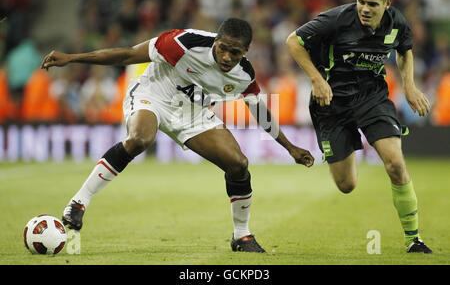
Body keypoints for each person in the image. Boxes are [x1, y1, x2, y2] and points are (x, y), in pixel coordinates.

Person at [42, 18, 314, 253]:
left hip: (192, 113)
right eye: (223, 48)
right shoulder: (182, 42)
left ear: (246, 51)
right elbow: (126, 55)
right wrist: (72, 58)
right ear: (215, 42)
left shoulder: (244, 75)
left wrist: (289, 147)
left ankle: (241, 235)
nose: (227, 57)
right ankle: (79, 201)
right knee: (140, 139)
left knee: (239, 165)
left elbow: (261, 113)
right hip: (154, 95)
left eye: (236, 52)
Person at [286, 0, 433, 253]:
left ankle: (414, 239)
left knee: (395, 164)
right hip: (331, 102)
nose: (364, 8)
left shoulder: (398, 22)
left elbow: (405, 51)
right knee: (346, 185)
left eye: (372, 4)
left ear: (387, 4)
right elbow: (293, 41)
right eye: (360, 1)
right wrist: (317, 80)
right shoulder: (336, 20)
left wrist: (409, 86)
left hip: (372, 97)